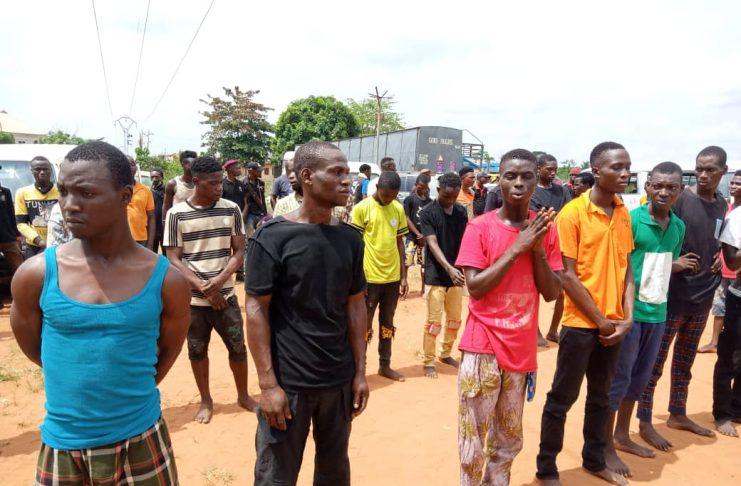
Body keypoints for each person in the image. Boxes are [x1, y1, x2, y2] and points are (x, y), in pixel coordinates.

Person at [10, 141, 190, 485]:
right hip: (64, 444)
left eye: (87, 193)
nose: (69, 205)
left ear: (126, 196)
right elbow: (36, 350)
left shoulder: (167, 281)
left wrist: (125, 388)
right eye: (64, 192)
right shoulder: (35, 275)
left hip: (141, 437)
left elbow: (167, 351)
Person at [245, 141, 369, 486]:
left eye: (348, 173)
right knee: (276, 477)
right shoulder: (272, 238)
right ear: (307, 176)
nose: (347, 180)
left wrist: (360, 373)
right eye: (337, 172)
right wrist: (268, 385)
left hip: (338, 382)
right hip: (289, 385)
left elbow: (355, 305)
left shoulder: (350, 240)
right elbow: (255, 309)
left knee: (334, 472)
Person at [456, 149, 563, 485]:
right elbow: (475, 287)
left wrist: (536, 249)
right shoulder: (479, 227)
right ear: (498, 181)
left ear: (536, 181)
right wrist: (517, 247)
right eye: (510, 176)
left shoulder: (545, 229)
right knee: (473, 439)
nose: (518, 183)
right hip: (482, 347)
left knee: (509, 438)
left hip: (521, 350)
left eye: (526, 176)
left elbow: (552, 292)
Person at [536, 141, 635, 486]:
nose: (624, 173)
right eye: (616, 167)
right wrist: (601, 320)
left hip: (614, 326)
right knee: (561, 398)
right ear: (597, 171)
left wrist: (627, 318)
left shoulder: (623, 212)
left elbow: (627, 269)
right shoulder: (572, 214)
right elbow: (566, 275)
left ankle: (594, 460)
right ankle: (547, 468)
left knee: (601, 397)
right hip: (581, 325)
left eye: (627, 167)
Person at [637, 146, 728, 449]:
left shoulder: (721, 204)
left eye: (710, 170)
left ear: (722, 172)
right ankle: (645, 420)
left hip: (703, 296)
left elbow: (718, 240)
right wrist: (673, 264)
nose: (703, 175)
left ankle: (678, 413)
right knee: (654, 363)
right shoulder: (681, 199)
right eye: (699, 168)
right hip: (672, 297)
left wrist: (719, 255)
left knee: (685, 362)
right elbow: (657, 235)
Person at [603, 162, 690, 477]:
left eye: (672, 187)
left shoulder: (678, 227)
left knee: (640, 378)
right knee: (619, 379)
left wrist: (676, 266)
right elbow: (618, 266)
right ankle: (605, 445)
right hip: (629, 314)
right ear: (648, 187)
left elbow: (664, 266)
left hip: (658, 313)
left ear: (680, 191)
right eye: (658, 186)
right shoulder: (630, 220)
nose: (664, 192)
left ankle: (622, 434)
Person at [164, 155, 257, 424]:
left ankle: (243, 395)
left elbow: (239, 251)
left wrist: (220, 281)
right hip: (193, 301)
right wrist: (204, 288)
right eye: (213, 183)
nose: (219, 187)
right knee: (197, 351)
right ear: (196, 181)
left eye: (220, 182)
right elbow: (173, 258)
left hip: (225, 296)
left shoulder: (231, 210)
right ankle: (206, 400)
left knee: (237, 348)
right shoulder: (176, 214)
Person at [351, 170, 409, 382]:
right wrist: (359, 278)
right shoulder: (361, 209)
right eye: (385, 195)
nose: (388, 199)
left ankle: (385, 365)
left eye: (393, 196)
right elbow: (355, 246)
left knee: (387, 323)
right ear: (377, 188)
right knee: (364, 326)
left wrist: (404, 276)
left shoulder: (398, 209)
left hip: (392, 278)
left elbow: (400, 243)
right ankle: (360, 370)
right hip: (369, 278)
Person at [419, 172, 468, 379]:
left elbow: (465, 240)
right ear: (438, 190)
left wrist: (463, 268)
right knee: (433, 322)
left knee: (455, 320)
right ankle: (428, 361)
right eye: (446, 196)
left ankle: (445, 353)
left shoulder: (461, 211)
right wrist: (449, 268)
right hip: (436, 274)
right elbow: (432, 243)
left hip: (457, 275)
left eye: (454, 197)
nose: (450, 201)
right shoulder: (428, 213)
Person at [699, 170, 741, 353]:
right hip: (722, 266)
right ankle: (714, 343)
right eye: (732, 182)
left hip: (737, 271)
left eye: (738, 183)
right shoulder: (725, 207)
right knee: (719, 306)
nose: (733, 186)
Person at [533, 154, 572, 347]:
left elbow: (568, 214)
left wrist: (555, 218)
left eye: (555, 169)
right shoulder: (532, 191)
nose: (553, 172)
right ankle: (535, 331)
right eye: (549, 168)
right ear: (538, 169)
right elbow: (536, 217)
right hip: (539, 245)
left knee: (562, 291)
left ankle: (553, 330)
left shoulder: (562, 190)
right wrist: (555, 218)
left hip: (561, 245)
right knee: (533, 290)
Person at [714, 201, 741, 437]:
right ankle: (722, 413)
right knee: (730, 359)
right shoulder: (737, 218)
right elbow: (732, 262)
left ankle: (738, 408)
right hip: (739, 298)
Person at [15, 156, 59, 259]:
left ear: (50, 170)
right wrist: (39, 241)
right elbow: (21, 223)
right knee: (32, 269)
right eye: (38, 169)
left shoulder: (62, 191)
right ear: (32, 171)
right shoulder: (22, 193)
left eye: (45, 169)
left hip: (58, 243)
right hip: (34, 245)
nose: (42, 172)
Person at [403, 173, 432, 295]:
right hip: (411, 236)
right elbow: (406, 218)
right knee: (406, 262)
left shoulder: (429, 202)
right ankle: (404, 284)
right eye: (421, 187)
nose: (423, 189)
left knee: (424, 264)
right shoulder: (409, 200)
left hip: (424, 238)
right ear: (416, 185)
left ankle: (424, 288)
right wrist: (417, 233)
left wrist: (424, 235)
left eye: (425, 187)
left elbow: (430, 220)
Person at [126, 157, 156, 250]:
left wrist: (150, 245)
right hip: (117, 238)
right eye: (126, 164)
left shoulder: (145, 190)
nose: (130, 167)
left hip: (140, 239)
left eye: (132, 164)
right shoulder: (114, 189)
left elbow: (151, 218)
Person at [163, 150, 197, 223]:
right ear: (182, 164)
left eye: (194, 163)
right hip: (178, 224)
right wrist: (165, 224)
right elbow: (166, 208)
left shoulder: (200, 183)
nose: (192, 166)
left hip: (196, 224)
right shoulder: (172, 184)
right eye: (189, 163)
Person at [0, 180, 22, 279]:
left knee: (19, 270)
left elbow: (11, 215)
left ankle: (22, 288)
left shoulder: (5, 192)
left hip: (9, 238)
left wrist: (17, 236)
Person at [244, 161, 267, 238]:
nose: (261, 171)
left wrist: (265, 213)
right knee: (250, 237)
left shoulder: (261, 183)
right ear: (250, 171)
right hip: (249, 215)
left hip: (260, 214)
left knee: (262, 236)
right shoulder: (243, 183)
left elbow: (262, 199)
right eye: (258, 170)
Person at [150, 168, 166, 253]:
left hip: (165, 226)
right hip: (154, 226)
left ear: (162, 178)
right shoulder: (149, 191)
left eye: (156, 177)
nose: (154, 179)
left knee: (166, 252)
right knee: (153, 252)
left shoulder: (167, 190)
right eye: (152, 177)